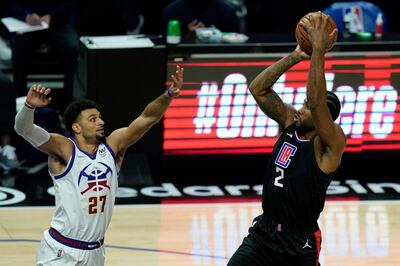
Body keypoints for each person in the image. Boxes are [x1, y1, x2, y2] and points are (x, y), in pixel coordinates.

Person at [14, 66, 184, 265]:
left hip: (95, 251)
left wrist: (169, 94)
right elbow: (23, 129)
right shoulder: (64, 148)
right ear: (76, 127)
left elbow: (148, 118)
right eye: (93, 119)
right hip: (61, 251)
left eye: (100, 117)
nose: (101, 122)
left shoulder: (113, 146)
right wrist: (28, 106)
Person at [228, 12, 345, 266]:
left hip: (298, 242)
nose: (301, 108)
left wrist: (318, 52)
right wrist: (294, 57)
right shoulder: (290, 123)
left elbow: (315, 101)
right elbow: (258, 89)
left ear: (323, 118)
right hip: (263, 234)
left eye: (307, 107)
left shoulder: (330, 143)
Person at [6, 0, 80, 109]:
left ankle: (68, 104)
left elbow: (69, 3)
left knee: (72, 47)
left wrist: (52, 15)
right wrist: (25, 15)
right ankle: (21, 101)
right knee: (21, 47)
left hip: (57, 21)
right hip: (26, 23)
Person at [161, 0, 240, 35]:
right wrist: (187, 34)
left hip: (217, 59)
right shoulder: (172, 11)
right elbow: (165, 43)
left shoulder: (226, 11)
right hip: (181, 60)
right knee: (178, 69)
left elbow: (236, 41)